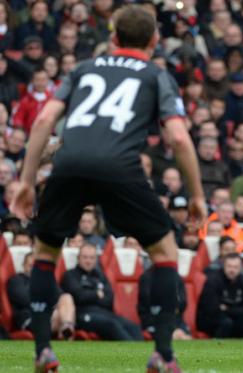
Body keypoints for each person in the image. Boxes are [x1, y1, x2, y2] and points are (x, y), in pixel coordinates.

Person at [10, 6, 207, 371]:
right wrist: (196, 195)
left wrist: (25, 180)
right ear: (154, 40)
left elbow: (44, 121)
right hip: (120, 166)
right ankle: (163, 354)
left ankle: (42, 351)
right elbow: (178, 137)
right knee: (164, 251)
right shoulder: (155, 74)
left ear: (113, 38)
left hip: (69, 163)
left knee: (45, 252)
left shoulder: (83, 68)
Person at [61, 244, 143, 342]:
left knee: (133, 326)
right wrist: (97, 294)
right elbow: (79, 297)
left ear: (96, 259)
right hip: (82, 314)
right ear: (78, 258)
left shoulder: (99, 275)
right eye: (85, 257)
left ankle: (142, 352)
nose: (88, 261)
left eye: (92, 258)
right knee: (111, 324)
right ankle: (132, 351)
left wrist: (90, 295)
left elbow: (109, 300)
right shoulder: (70, 275)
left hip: (105, 313)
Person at [7, 253, 76, 340]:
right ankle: (67, 332)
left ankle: (66, 328)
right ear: (23, 265)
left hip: (49, 316)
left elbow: (60, 296)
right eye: (30, 266)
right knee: (61, 314)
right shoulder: (16, 280)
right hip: (29, 318)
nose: (34, 269)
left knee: (67, 297)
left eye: (36, 267)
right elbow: (26, 300)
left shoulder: (46, 280)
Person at [197, 253, 243, 338]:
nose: (232, 270)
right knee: (226, 323)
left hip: (235, 318)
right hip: (211, 320)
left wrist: (227, 309)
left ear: (241, 268)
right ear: (223, 266)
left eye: (235, 267)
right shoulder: (213, 281)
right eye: (229, 266)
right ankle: (217, 348)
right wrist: (235, 309)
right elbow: (212, 309)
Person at [138, 265, 191, 341]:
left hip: (177, 322)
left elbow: (183, 303)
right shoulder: (147, 278)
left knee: (186, 337)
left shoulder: (176, 277)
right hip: (153, 322)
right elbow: (148, 306)